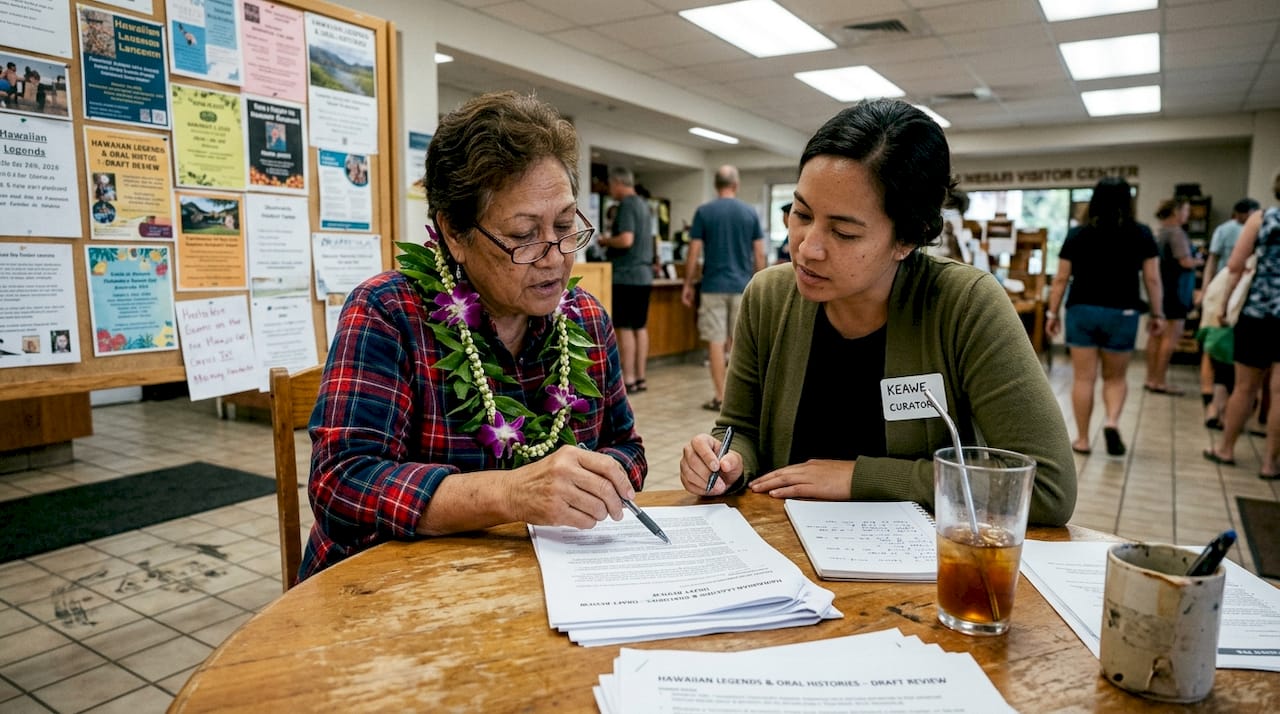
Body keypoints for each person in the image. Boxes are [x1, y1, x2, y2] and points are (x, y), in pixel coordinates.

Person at [677, 99, 1076, 526]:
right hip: (785, 556)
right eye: (801, 214)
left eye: (844, 232)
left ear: (908, 239)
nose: (808, 247)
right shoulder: (769, 297)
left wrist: (860, 479)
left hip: (918, 572)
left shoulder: (965, 306)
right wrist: (726, 460)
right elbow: (740, 429)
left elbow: (1047, 487)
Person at [301, 91, 647, 581]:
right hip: (392, 594)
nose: (554, 256)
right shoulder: (388, 313)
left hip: (543, 584)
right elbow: (343, 484)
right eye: (524, 234)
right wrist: (511, 494)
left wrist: (604, 477)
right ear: (455, 234)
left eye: (566, 225)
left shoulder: (585, 316)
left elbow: (626, 446)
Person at [1045, 177, 1163, 457]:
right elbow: (1152, 278)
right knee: (1115, 378)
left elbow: (1061, 278)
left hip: (1082, 310)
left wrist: (1052, 312)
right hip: (1122, 312)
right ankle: (1111, 422)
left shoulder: (1077, 235)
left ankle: (1083, 439)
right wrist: (1157, 313)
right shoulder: (1142, 234)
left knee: (1084, 378)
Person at [1205, 173, 1280, 480]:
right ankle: (1270, 463)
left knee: (1244, 387)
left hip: (1258, 313)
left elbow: (1234, 267)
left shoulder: (1262, 219)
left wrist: (1222, 307)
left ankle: (1226, 448)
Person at [682, 165, 766, 411]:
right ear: (736, 185)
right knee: (741, 344)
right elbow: (759, 253)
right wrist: (759, 284)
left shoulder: (704, 212)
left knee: (716, 342)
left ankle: (720, 397)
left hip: (712, 286)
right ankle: (741, 401)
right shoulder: (749, 213)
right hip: (743, 287)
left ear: (716, 185)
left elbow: (694, 251)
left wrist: (688, 283)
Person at [1199, 198, 1259, 426]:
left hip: (1227, 295)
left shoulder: (1224, 230)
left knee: (1217, 355)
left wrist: (1207, 292)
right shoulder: (1258, 226)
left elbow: (1214, 263)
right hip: (1245, 301)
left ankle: (1213, 405)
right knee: (1239, 366)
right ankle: (1223, 411)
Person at [597, 166, 654, 393]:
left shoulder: (627, 205)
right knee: (640, 327)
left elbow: (626, 240)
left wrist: (606, 241)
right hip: (643, 276)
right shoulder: (643, 205)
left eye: (611, 185)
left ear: (618, 183)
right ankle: (641, 377)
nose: (611, 190)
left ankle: (628, 379)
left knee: (625, 328)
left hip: (626, 275)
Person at [1143, 197, 1201, 395]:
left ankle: (1151, 378)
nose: (1187, 214)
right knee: (1169, 336)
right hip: (1175, 291)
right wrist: (1200, 260)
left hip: (1159, 291)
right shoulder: (1176, 233)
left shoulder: (1157, 231)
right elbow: (1185, 262)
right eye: (1186, 210)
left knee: (1155, 335)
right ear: (1176, 212)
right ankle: (1159, 381)